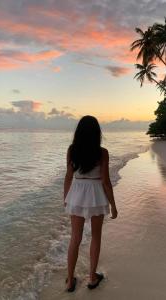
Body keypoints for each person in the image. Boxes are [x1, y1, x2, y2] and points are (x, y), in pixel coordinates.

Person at [64, 115, 118, 292]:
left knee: (75, 238)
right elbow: (105, 181)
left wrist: (66, 199)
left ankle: (70, 280)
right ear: (97, 133)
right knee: (96, 236)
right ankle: (92, 278)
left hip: (77, 194)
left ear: (78, 132)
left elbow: (68, 176)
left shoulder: (72, 150)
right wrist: (113, 204)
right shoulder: (102, 152)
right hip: (95, 194)